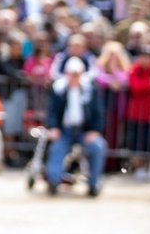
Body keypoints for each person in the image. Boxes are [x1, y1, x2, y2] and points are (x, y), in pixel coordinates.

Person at [45, 57, 107, 196]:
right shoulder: (58, 89)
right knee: (57, 148)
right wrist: (53, 128)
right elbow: (52, 111)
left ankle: (93, 184)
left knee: (98, 146)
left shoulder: (90, 90)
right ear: (66, 73)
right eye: (71, 73)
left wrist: (95, 131)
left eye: (77, 74)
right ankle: (53, 181)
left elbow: (98, 113)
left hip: (84, 131)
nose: (74, 77)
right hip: (64, 131)